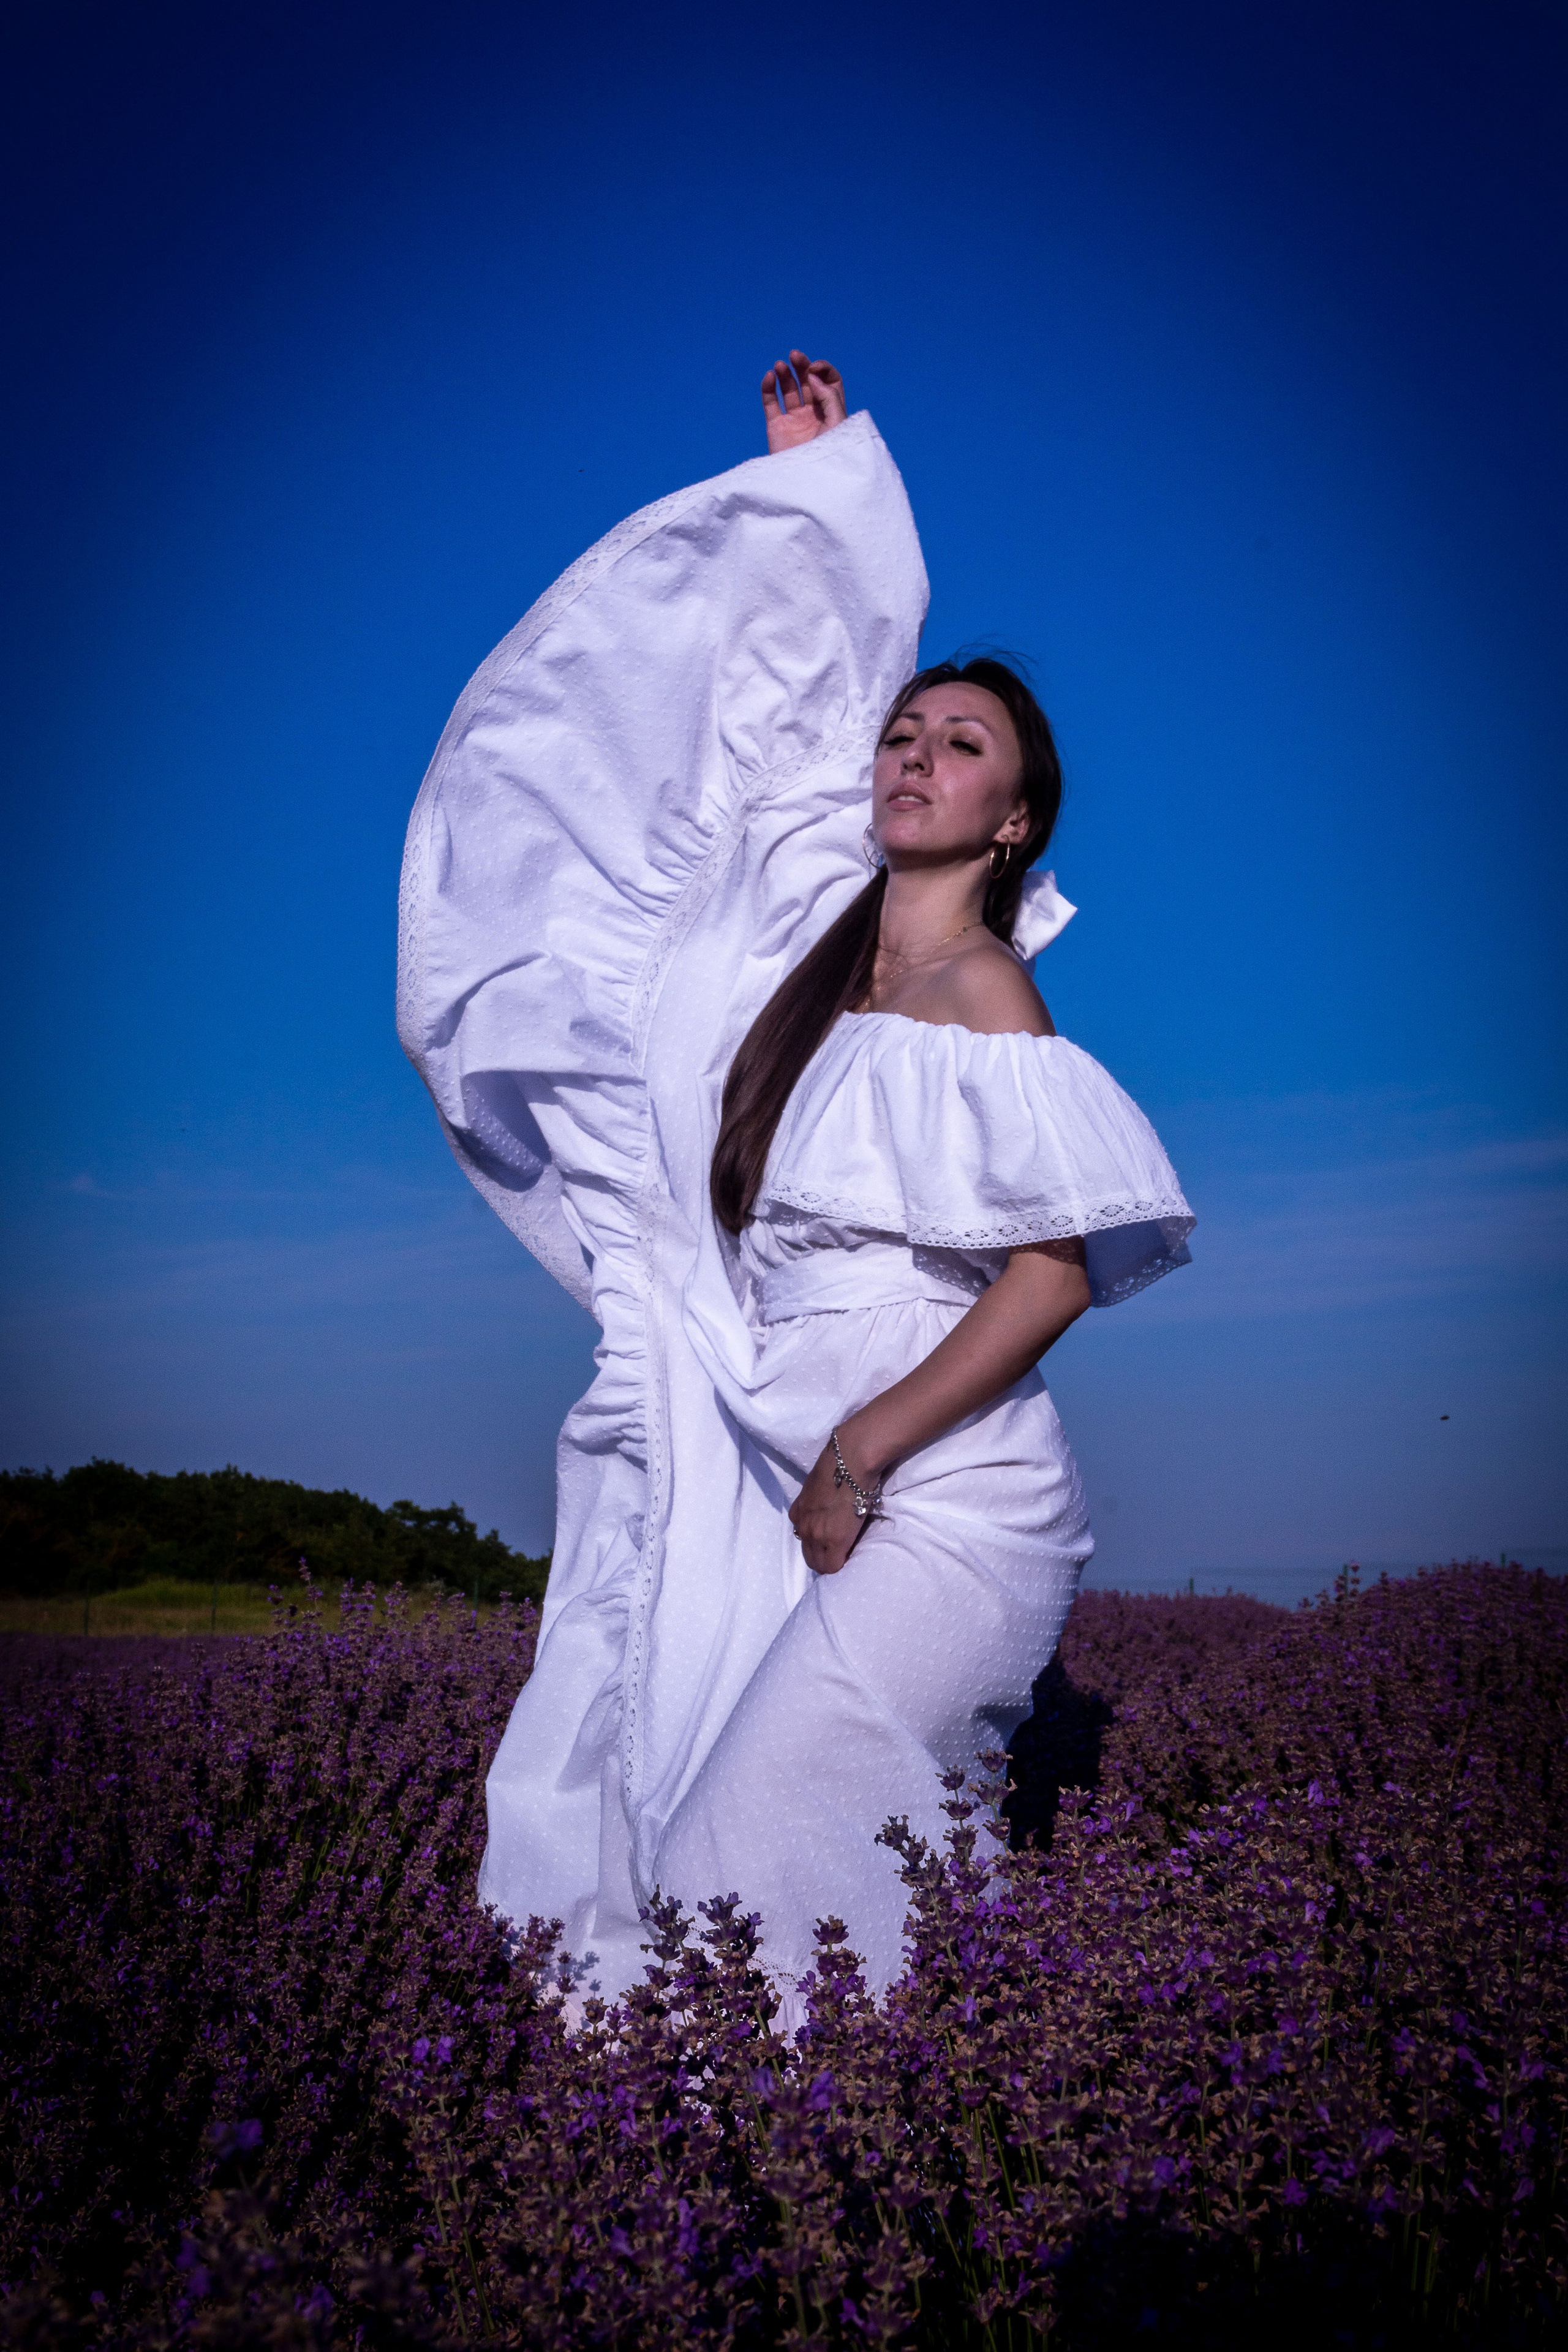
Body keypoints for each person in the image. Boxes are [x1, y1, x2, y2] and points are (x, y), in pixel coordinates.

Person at [397, 352, 1194, 2020]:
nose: (913, 756)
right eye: (905, 736)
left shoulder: (989, 998)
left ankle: (786, 2192)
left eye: (959, 744)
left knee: (735, 1864)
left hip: (945, 1504)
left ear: (1016, 816)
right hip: (806, 1468)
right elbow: (776, 750)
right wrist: (805, 490)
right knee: (839, 1869)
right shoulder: (814, 992)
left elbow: (1051, 1276)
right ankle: (898, 2174)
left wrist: (853, 1459)